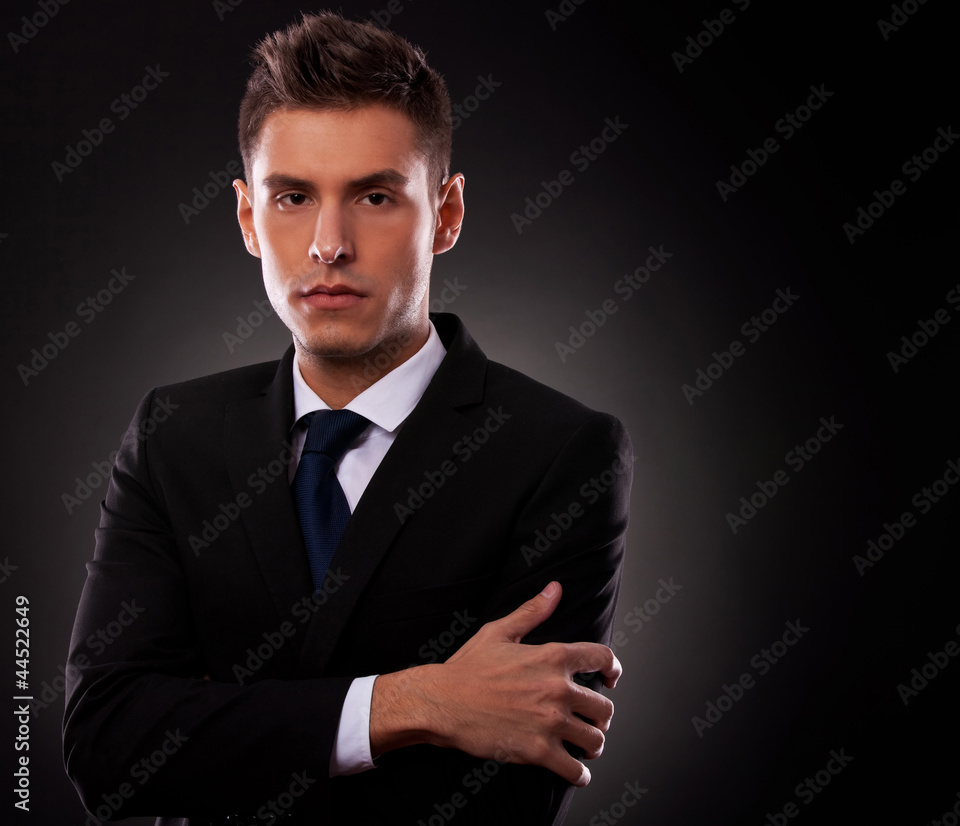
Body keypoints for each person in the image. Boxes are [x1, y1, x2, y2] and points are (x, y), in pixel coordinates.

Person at [63, 11, 632, 825]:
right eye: (293, 197)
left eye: (374, 195)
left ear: (446, 213)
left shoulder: (559, 450)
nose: (329, 244)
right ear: (248, 219)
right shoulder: (172, 435)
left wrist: (213, 724)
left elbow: (507, 793)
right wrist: (421, 702)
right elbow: (107, 746)